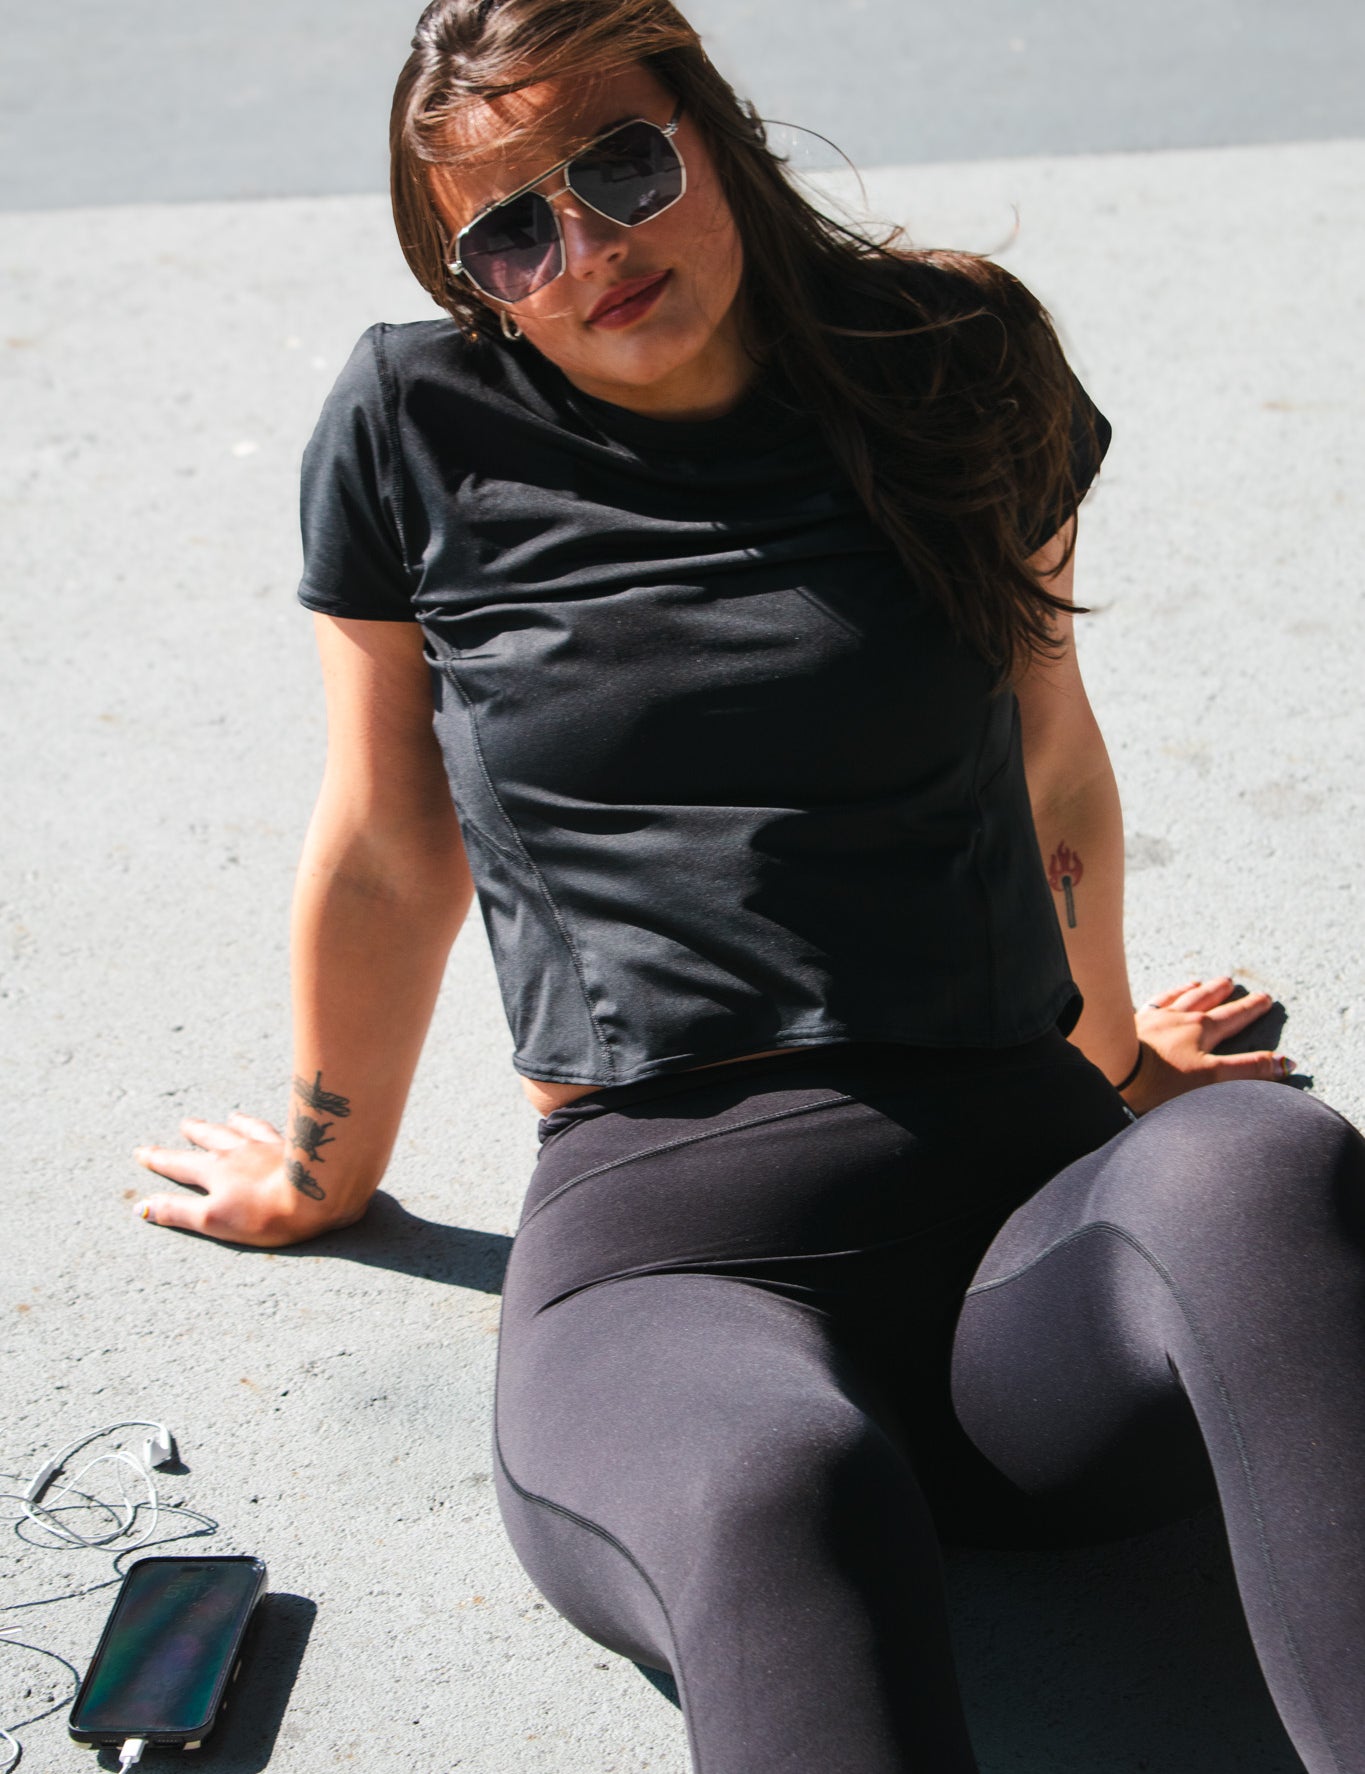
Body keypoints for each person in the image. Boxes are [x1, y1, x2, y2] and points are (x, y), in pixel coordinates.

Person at [131, 2, 1365, 1769]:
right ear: (471, 278)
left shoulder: (950, 353)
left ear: (710, 134)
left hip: (1024, 1241)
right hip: (667, 1270)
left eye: (621, 164)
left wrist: (1118, 1066)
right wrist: (325, 1168)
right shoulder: (414, 421)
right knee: (780, 1477)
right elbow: (392, 836)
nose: (588, 248)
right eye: (511, 229)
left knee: (1266, 1169)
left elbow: (1049, 755)